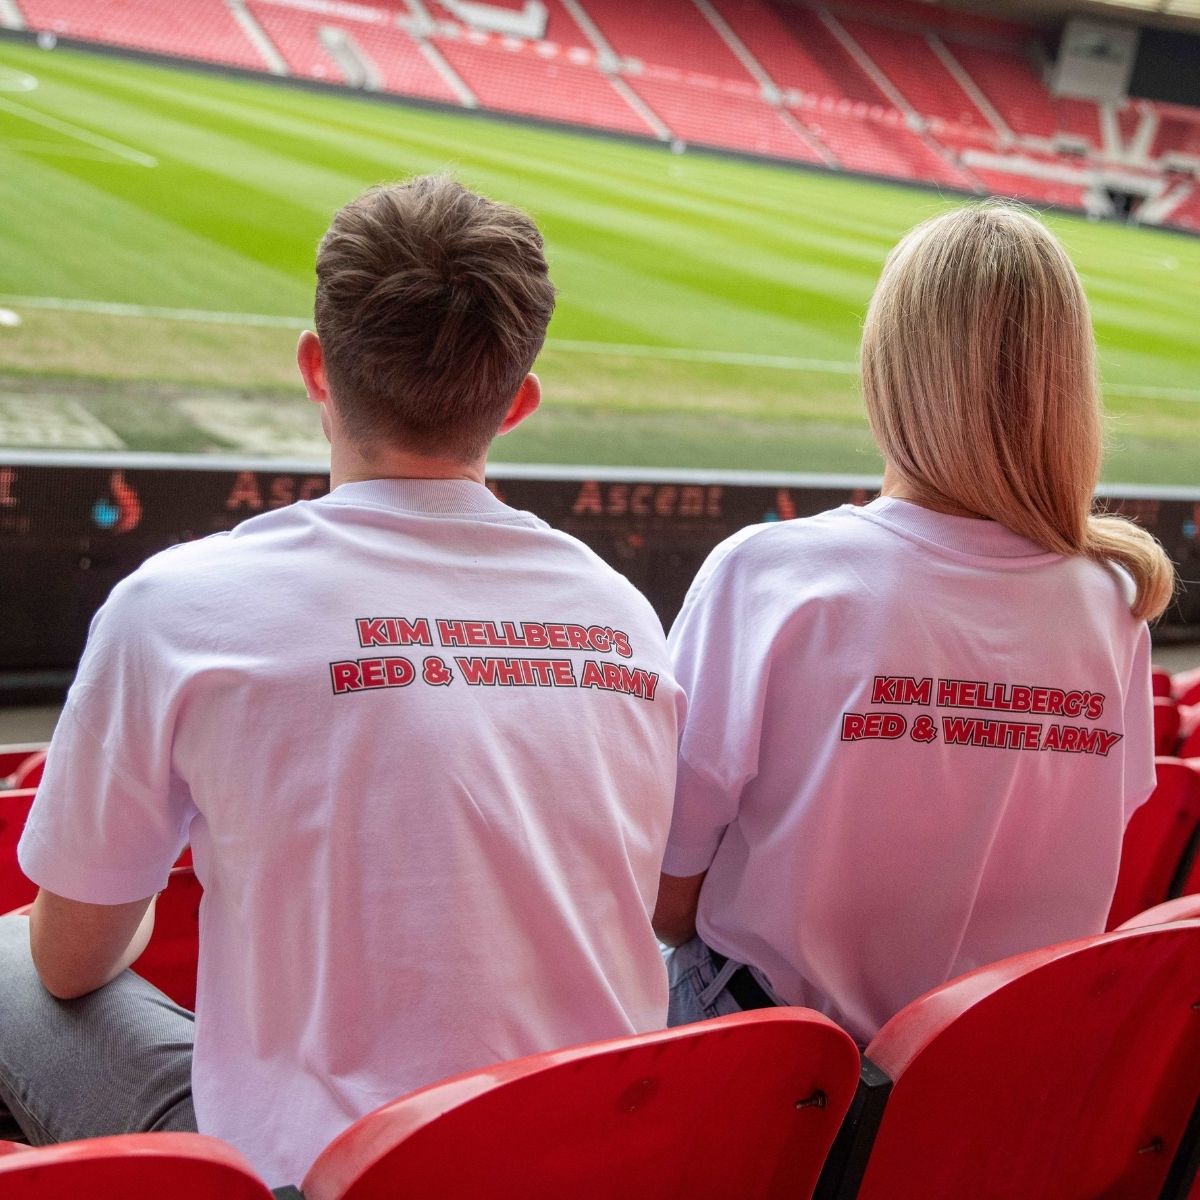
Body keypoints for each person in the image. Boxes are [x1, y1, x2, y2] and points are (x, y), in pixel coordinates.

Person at [0, 175, 683, 1187]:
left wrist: (127, 901)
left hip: (322, 1176)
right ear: (518, 402)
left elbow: (70, 963)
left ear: (315, 368)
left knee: (12, 959)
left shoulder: (176, 607)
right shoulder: (625, 614)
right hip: (590, 1156)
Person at [653, 202, 1174, 1046]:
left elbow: (665, 894)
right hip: (993, 1065)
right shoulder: (1115, 602)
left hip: (777, 1058)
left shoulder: (770, 574)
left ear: (889, 367)